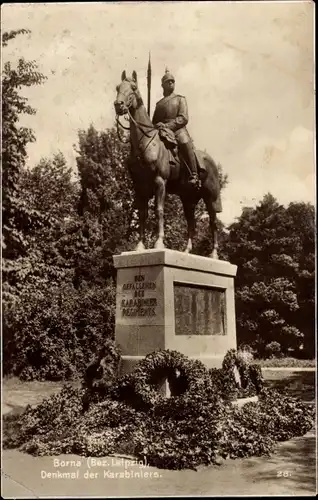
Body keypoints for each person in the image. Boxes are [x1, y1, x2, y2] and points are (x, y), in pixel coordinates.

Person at [152, 69, 199, 187]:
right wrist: (157, 125)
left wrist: (168, 125)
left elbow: (183, 118)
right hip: (162, 131)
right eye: (168, 81)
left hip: (178, 129)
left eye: (172, 81)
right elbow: (154, 122)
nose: (171, 83)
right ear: (163, 85)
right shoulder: (159, 104)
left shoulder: (180, 99)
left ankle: (194, 174)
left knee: (184, 141)